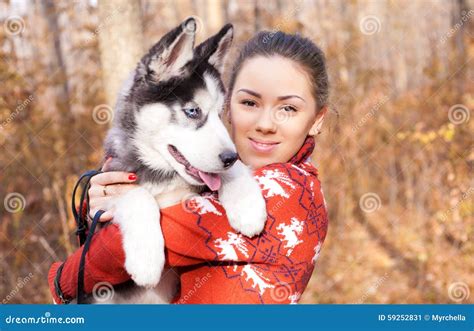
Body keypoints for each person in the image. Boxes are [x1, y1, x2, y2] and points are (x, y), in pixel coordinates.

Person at [48, 30, 330, 304]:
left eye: (288, 108)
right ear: (229, 104)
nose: (265, 124)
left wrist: (61, 282)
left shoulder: (292, 194)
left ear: (318, 119)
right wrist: (98, 205)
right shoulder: (205, 169)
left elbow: (116, 250)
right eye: (249, 102)